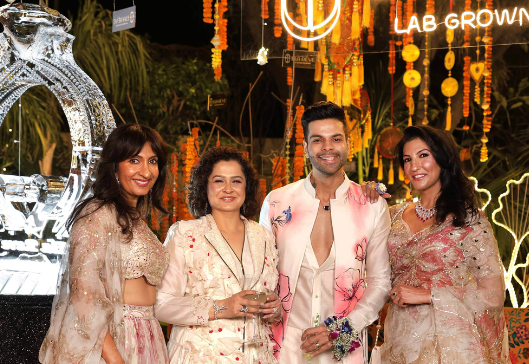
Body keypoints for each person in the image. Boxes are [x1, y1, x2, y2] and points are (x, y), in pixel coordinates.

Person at [259, 101, 391, 364]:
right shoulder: (276, 202)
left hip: (344, 345)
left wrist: (342, 331)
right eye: (318, 140)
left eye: (336, 139)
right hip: (284, 345)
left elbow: (381, 282)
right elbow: (261, 273)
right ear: (305, 147)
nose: (328, 147)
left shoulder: (371, 206)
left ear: (348, 144)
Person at [39, 124, 171, 364]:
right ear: (115, 167)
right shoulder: (97, 214)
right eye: (134, 160)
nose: (146, 171)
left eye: (152, 161)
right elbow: (84, 296)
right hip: (112, 344)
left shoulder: (137, 221)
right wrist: (116, 360)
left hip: (148, 338)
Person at [378, 125, 508, 363]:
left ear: (442, 159)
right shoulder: (392, 216)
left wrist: (428, 295)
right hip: (400, 341)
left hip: (452, 347)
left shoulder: (469, 220)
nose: (414, 166)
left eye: (423, 155)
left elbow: (493, 294)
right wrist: (364, 197)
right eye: (407, 159)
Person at [155, 146, 282, 363]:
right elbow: (161, 305)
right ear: (204, 186)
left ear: (247, 187)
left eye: (236, 181)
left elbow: (270, 297)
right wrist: (221, 307)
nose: (228, 189)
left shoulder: (264, 236)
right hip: (201, 356)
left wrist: (275, 308)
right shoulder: (185, 234)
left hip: (257, 356)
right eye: (219, 181)